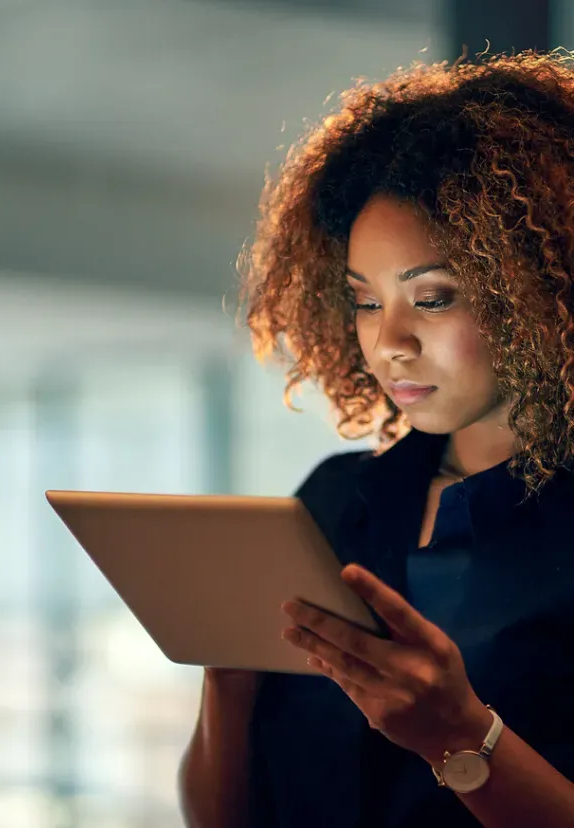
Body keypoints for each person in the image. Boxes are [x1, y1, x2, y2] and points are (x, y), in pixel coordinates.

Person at [178, 49, 574, 828]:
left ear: (540, 290)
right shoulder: (332, 502)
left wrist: (464, 737)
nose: (389, 341)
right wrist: (225, 673)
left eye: (431, 297)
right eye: (364, 301)